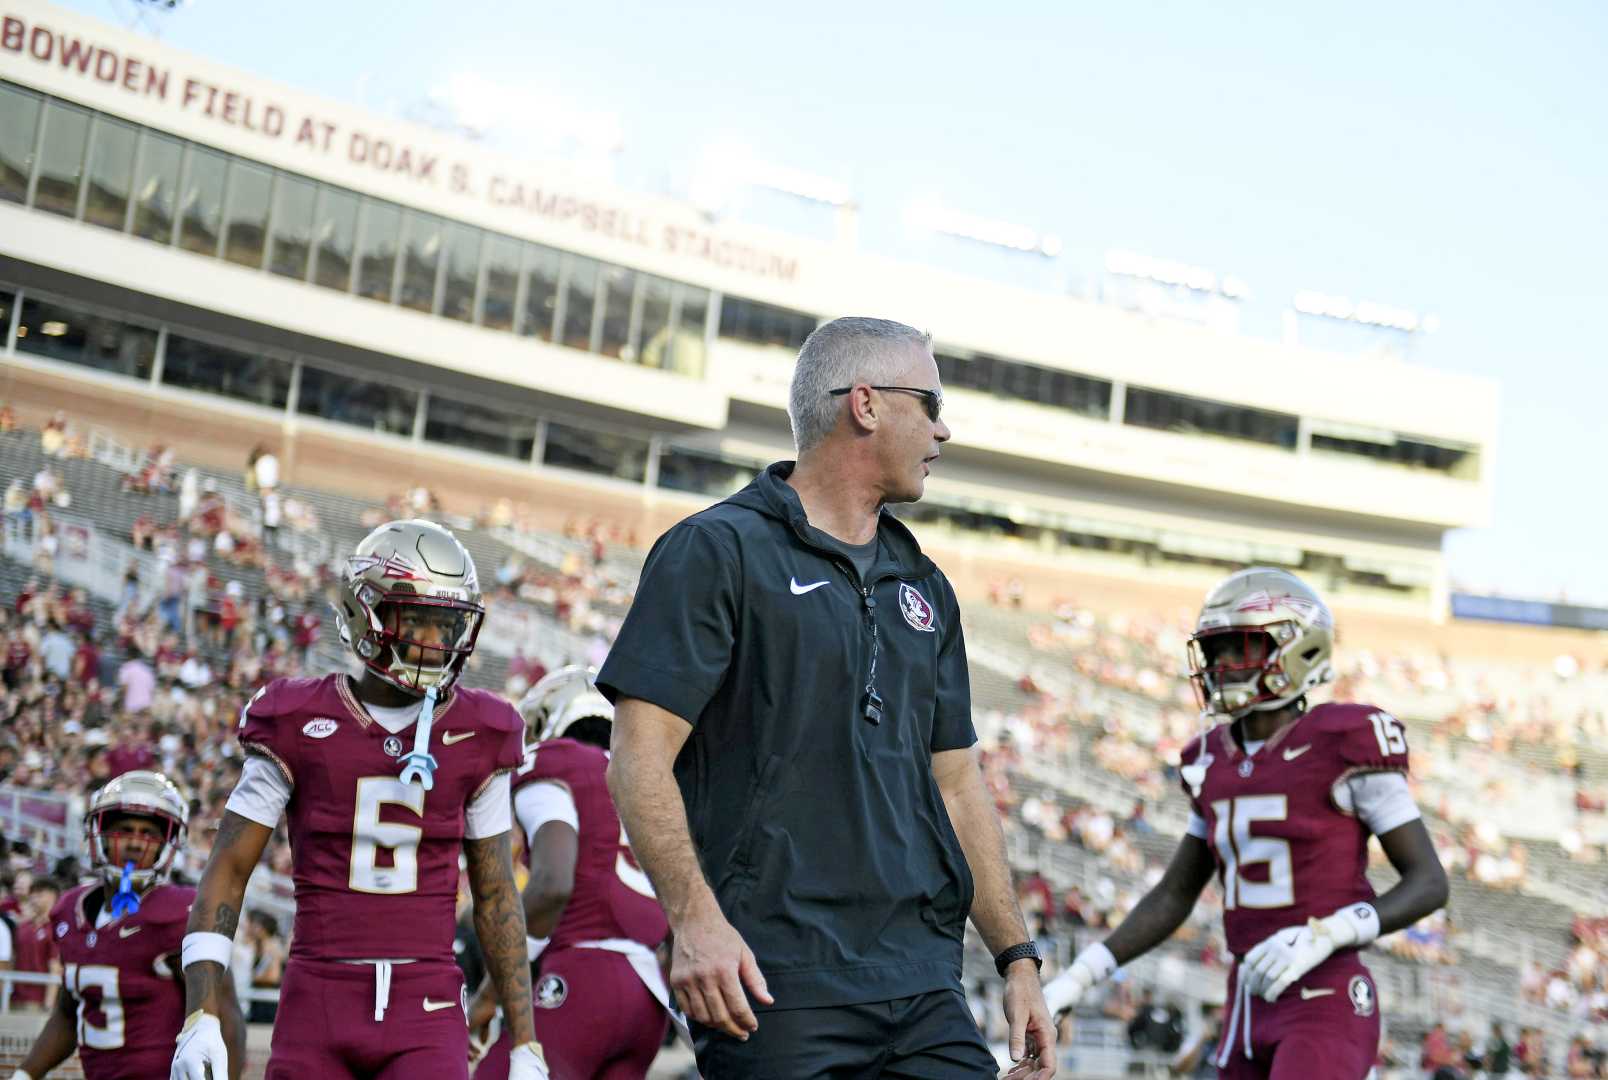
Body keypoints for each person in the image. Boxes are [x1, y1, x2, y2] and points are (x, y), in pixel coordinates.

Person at [598, 317, 1056, 1079]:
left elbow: (957, 786)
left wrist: (1018, 957)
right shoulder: (716, 551)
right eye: (931, 402)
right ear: (866, 405)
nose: (943, 430)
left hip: (922, 982)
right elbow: (638, 757)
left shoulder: (926, 587)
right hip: (772, 980)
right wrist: (694, 921)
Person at [170, 520, 549, 1080]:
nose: (433, 641)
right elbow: (228, 870)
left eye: (445, 625)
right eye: (415, 618)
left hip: (427, 1006)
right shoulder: (296, 719)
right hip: (318, 997)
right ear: (364, 613)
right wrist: (198, 1013)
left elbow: (495, 895)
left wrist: (526, 1043)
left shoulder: (482, 729)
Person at [1042, 567, 1450, 1080]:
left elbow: (1429, 882)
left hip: (1324, 993)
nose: (1223, 665)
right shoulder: (1210, 758)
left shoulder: (1344, 739)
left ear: (1298, 651)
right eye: (1216, 651)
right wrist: (1078, 980)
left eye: (1242, 648)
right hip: (1245, 999)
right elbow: (1173, 895)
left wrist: (1328, 934)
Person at [471, 666, 673, 1080]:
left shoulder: (556, 761)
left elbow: (552, 885)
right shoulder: (645, 784)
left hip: (582, 980)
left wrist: (491, 992)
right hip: (649, 998)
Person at [13, 770, 244, 1080]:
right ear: (100, 834)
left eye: (148, 833)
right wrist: (25, 1075)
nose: (136, 842)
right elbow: (68, 1015)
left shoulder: (180, 911)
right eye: (124, 829)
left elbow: (225, 1016)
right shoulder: (69, 910)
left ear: (167, 842)